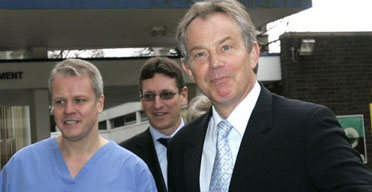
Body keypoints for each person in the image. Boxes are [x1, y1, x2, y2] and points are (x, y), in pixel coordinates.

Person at [168, 0, 372, 192]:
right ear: (189, 69)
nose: (215, 63)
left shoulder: (307, 127)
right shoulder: (181, 146)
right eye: (200, 54)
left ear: (253, 54)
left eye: (226, 48)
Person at [0, 59, 157, 192]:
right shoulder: (21, 168)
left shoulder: (132, 172)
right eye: (60, 101)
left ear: (99, 103)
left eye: (79, 100)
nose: (69, 110)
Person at [120, 57, 188, 192]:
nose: (157, 105)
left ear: (184, 95)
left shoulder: (206, 144)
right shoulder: (124, 155)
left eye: (166, 94)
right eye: (149, 96)